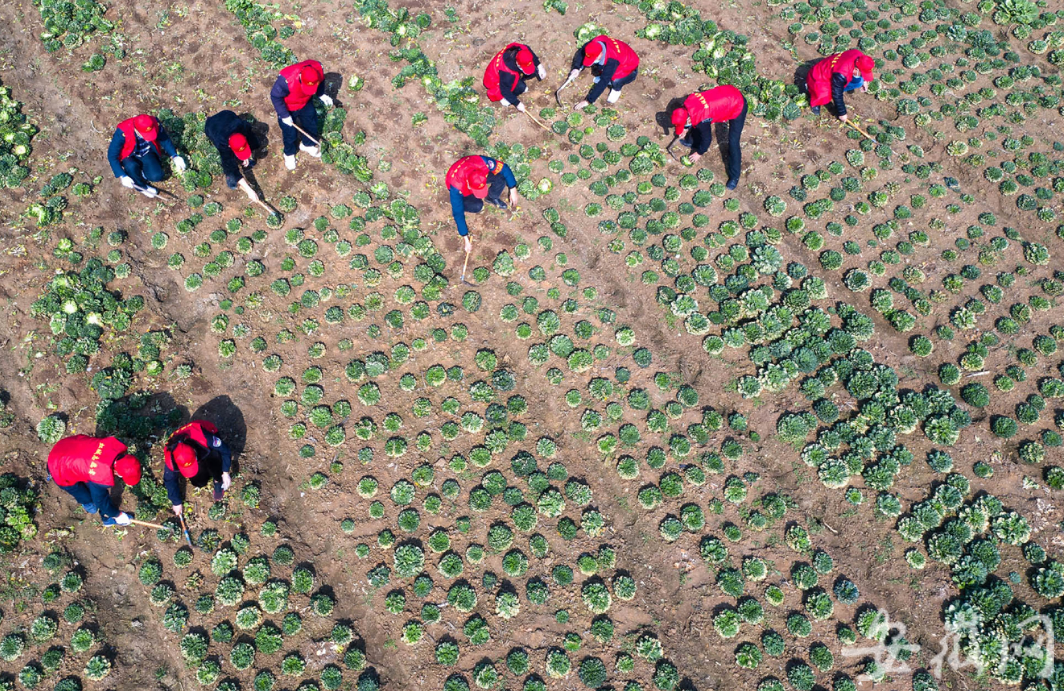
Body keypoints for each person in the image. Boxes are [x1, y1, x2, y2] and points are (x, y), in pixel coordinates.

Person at [47, 435, 141, 526]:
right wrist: (118, 515)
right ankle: (100, 513)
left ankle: (81, 478)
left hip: (65, 446)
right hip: (58, 468)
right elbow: (101, 501)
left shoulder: (113, 445)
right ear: (116, 471)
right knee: (84, 495)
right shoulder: (100, 474)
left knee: (87, 479)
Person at [671, 85, 748, 190]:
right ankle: (693, 141)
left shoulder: (701, 117)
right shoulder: (688, 103)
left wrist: (699, 153)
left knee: (733, 141)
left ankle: (735, 177)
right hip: (725, 93)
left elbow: (707, 139)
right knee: (697, 124)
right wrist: (683, 129)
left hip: (737, 104)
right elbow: (690, 120)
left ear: (688, 119)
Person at [446, 155, 518, 252]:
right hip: (461, 186)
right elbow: (458, 213)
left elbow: (504, 168)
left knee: (501, 178)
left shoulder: (482, 162)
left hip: (474, 171)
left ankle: (492, 197)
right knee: (477, 206)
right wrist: (465, 238)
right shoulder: (456, 187)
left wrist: (513, 188)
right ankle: (465, 200)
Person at [270, 59, 333, 170]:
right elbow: (275, 96)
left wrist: (321, 94)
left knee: (311, 123)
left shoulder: (318, 69)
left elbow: (321, 81)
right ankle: (289, 154)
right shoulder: (286, 80)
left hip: (305, 102)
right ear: (300, 78)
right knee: (290, 133)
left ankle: (307, 144)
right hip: (288, 107)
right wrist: (284, 115)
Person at [163, 420, 232, 516]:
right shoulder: (170, 456)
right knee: (199, 482)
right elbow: (169, 479)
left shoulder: (204, 437)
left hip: (207, 433)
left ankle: (218, 480)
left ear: (195, 454)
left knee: (215, 458)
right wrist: (176, 502)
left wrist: (225, 472)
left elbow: (225, 449)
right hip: (190, 447)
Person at [106, 114, 185, 198]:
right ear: (136, 130)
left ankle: (143, 172)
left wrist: (174, 156)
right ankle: (142, 187)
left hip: (146, 152)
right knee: (131, 167)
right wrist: (123, 175)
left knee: (157, 176)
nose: (149, 138)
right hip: (129, 155)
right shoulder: (123, 131)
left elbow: (164, 139)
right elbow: (112, 155)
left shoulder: (154, 123)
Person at [567, 35, 639, 110]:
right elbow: (582, 52)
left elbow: (604, 81)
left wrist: (588, 101)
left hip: (628, 68)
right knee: (602, 68)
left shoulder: (612, 60)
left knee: (615, 80)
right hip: (620, 54)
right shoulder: (594, 43)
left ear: (601, 54)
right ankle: (604, 71)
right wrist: (576, 68)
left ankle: (616, 89)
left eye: (594, 58)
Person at [205, 110, 262, 202]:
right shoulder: (222, 143)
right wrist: (249, 190)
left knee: (255, 143)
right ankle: (231, 179)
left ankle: (244, 154)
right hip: (211, 125)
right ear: (229, 146)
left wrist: (246, 156)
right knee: (230, 171)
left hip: (226, 114)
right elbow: (231, 169)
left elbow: (249, 134)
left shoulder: (243, 127)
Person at [806, 49, 875, 120]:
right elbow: (837, 93)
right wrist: (842, 113)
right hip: (818, 76)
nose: (863, 75)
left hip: (835, 73)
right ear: (856, 70)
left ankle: (838, 88)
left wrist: (864, 80)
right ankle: (815, 102)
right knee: (825, 94)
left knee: (859, 82)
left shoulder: (858, 54)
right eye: (863, 74)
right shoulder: (841, 73)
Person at [484, 43, 545, 112]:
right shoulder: (507, 73)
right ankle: (503, 99)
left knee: (526, 81)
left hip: (505, 74)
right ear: (518, 64)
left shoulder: (521, 50)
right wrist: (517, 103)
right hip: (494, 80)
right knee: (519, 88)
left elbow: (528, 51)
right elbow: (505, 90)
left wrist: (539, 66)